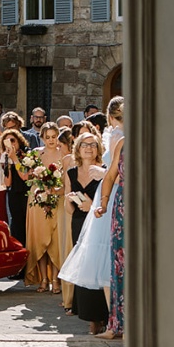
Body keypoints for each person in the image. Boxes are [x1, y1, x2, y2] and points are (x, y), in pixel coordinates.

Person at [63, 133, 109, 331]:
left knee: (98, 266)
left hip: (100, 220)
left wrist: (90, 206)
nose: (88, 148)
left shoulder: (105, 171)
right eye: (84, 144)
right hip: (79, 221)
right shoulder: (71, 172)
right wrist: (72, 201)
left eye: (93, 144)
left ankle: (103, 317)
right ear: (78, 148)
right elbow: (67, 205)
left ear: (99, 148)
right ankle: (90, 317)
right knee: (84, 266)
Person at [21, 122, 70, 293]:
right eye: (47, 137)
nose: (51, 140)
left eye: (54, 137)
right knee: (40, 239)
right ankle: (43, 279)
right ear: (42, 137)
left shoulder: (64, 155)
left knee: (55, 240)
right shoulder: (35, 153)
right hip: (37, 200)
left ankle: (56, 280)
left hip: (57, 199)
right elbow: (25, 177)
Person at [93, 117, 125, 342]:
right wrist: (103, 203)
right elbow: (111, 175)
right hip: (122, 210)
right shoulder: (123, 142)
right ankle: (118, 325)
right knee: (120, 268)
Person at [0, 128, 30, 246]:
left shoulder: (27, 154)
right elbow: (7, 183)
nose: (11, 144)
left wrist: (15, 159)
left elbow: (25, 176)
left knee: (27, 225)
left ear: (19, 141)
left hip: (27, 193)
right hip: (14, 194)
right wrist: (8, 162)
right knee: (16, 225)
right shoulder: (7, 157)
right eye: (7, 142)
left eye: (13, 140)